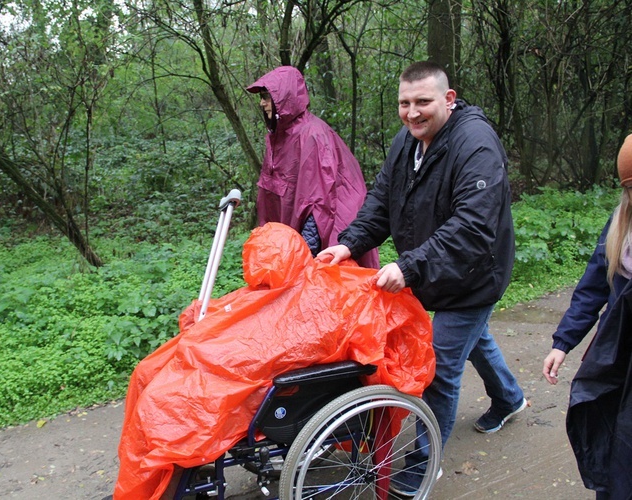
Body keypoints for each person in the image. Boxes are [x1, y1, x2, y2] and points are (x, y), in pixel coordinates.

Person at [318, 60, 526, 497]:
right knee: (474, 339)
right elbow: (382, 199)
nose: (412, 112)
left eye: (423, 102)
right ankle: (509, 397)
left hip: (473, 275)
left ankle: (413, 475)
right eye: (404, 103)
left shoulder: (475, 145)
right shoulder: (407, 141)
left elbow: (473, 226)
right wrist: (350, 244)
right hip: (434, 268)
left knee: (441, 368)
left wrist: (410, 266)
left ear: (448, 99)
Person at [112, 223, 434, 499]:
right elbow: (244, 316)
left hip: (256, 380)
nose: (259, 274)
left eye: (265, 265)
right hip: (227, 362)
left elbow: (287, 347)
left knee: (164, 405)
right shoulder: (273, 289)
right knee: (147, 372)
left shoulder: (324, 298)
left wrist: (212, 347)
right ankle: (174, 471)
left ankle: (168, 478)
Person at [542, 134, 632, 499]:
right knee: (608, 437)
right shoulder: (620, 222)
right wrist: (562, 344)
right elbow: (594, 286)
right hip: (615, 352)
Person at [246, 66, 379, 268]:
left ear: (284, 96)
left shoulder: (312, 135)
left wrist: (305, 257)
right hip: (296, 239)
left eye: (266, 96)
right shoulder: (280, 137)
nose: (262, 103)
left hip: (330, 234)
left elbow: (318, 204)